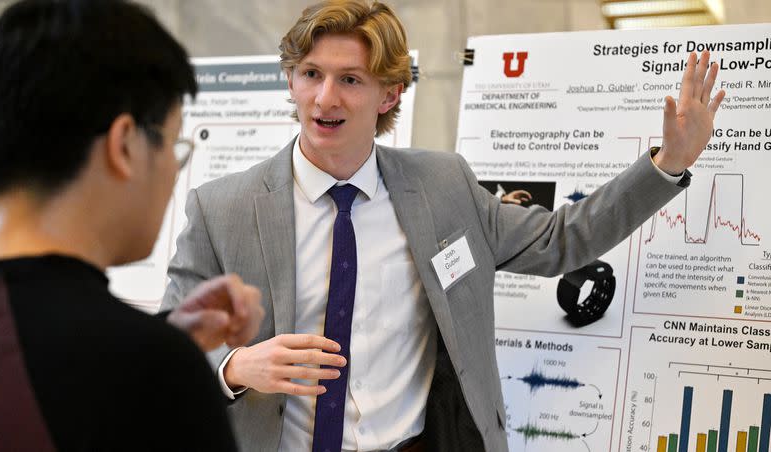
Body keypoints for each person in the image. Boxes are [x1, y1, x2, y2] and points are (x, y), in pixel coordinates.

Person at [161, 1, 725, 451]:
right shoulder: (223, 207)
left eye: (350, 80)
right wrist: (235, 366)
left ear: (390, 92)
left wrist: (666, 166)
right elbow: (167, 341)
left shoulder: (442, 187)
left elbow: (559, 241)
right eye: (310, 74)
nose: (324, 98)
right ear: (291, 81)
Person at [0, 0, 264, 451]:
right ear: (123, 144)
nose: (171, 168)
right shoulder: (149, 370)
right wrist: (161, 354)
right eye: (171, 145)